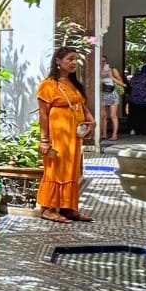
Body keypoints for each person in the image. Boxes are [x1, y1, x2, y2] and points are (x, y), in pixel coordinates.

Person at [36, 46, 95, 222]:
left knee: (71, 169)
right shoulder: (48, 85)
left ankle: (68, 208)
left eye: (75, 59)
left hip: (74, 136)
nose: (74, 62)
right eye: (70, 59)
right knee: (56, 169)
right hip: (58, 134)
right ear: (58, 61)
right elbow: (43, 114)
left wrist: (90, 119)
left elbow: (79, 104)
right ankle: (48, 209)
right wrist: (44, 140)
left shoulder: (73, 82)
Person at [99, 56, 123, 143]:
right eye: (101, 61)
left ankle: (114, 135)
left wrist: (111, 76)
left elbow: (121, 83)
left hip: (112, 93)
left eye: (104, 61)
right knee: (103, 115)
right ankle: (104, 134)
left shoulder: (112, 70)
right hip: (102, 93)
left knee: (113, 115)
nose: (103, 63)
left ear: (107, 61)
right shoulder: (97, 70)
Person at [130, 62, 146, 137]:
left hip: (133, 100)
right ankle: (144, 131)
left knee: (134, 115)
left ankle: (134, 130)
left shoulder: (134, 77)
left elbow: (131, 85)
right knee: (144, 116)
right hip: (144, 101)